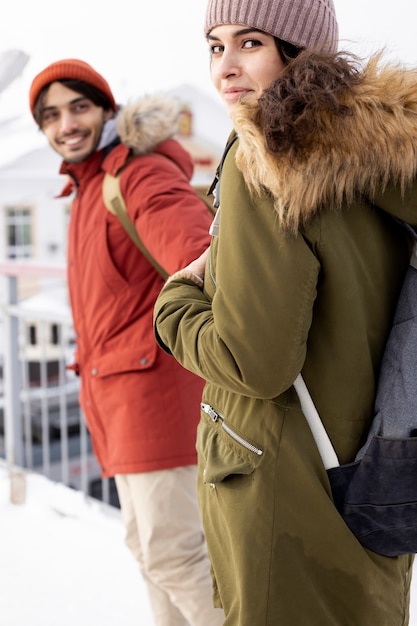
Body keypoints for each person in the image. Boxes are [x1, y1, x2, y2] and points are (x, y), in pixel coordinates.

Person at [153, 0, 417, 624]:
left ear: (299, 52)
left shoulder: (266, 158)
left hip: (284, 493)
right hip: (373, 481)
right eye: (215, 47)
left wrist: (174, 305)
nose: (225, 68)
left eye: (250, 43)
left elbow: (253, 361)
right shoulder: (383, 155)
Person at [29, 59, 224, 626]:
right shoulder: (88, 186)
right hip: (117, 403)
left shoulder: (135, 175)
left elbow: (197, 255)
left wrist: (197, 274)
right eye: (51, 115)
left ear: (106, 109)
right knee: (151, 553)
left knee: (174, 553)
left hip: (157, 401)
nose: (66, 123)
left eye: (79, 107)